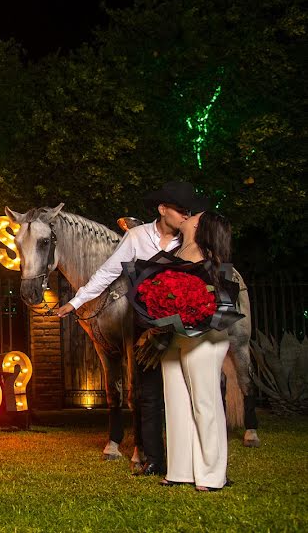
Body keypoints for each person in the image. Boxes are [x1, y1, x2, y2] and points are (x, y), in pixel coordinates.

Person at [55, 181, 210, 476]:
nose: (184, 216)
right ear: (162, 209)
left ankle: (190, 459)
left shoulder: (190, 240)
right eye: (180, 210)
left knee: (181, 393)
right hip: (145, 325)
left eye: (188, 211)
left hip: (180, 328)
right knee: (147, 393)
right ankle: (152, 458)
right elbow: (108, 272)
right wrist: (75, 303)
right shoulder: (137, 237)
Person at [160, 211, 234, 491]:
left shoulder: (211, 257)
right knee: (176, 403)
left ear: (200, 226)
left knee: (205, 403)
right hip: (176, 334)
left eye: (194, 216)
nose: (188, 216)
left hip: (205, 336)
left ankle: (213, 475)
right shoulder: (177, 250)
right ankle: (180, 470)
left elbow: (219, 299)